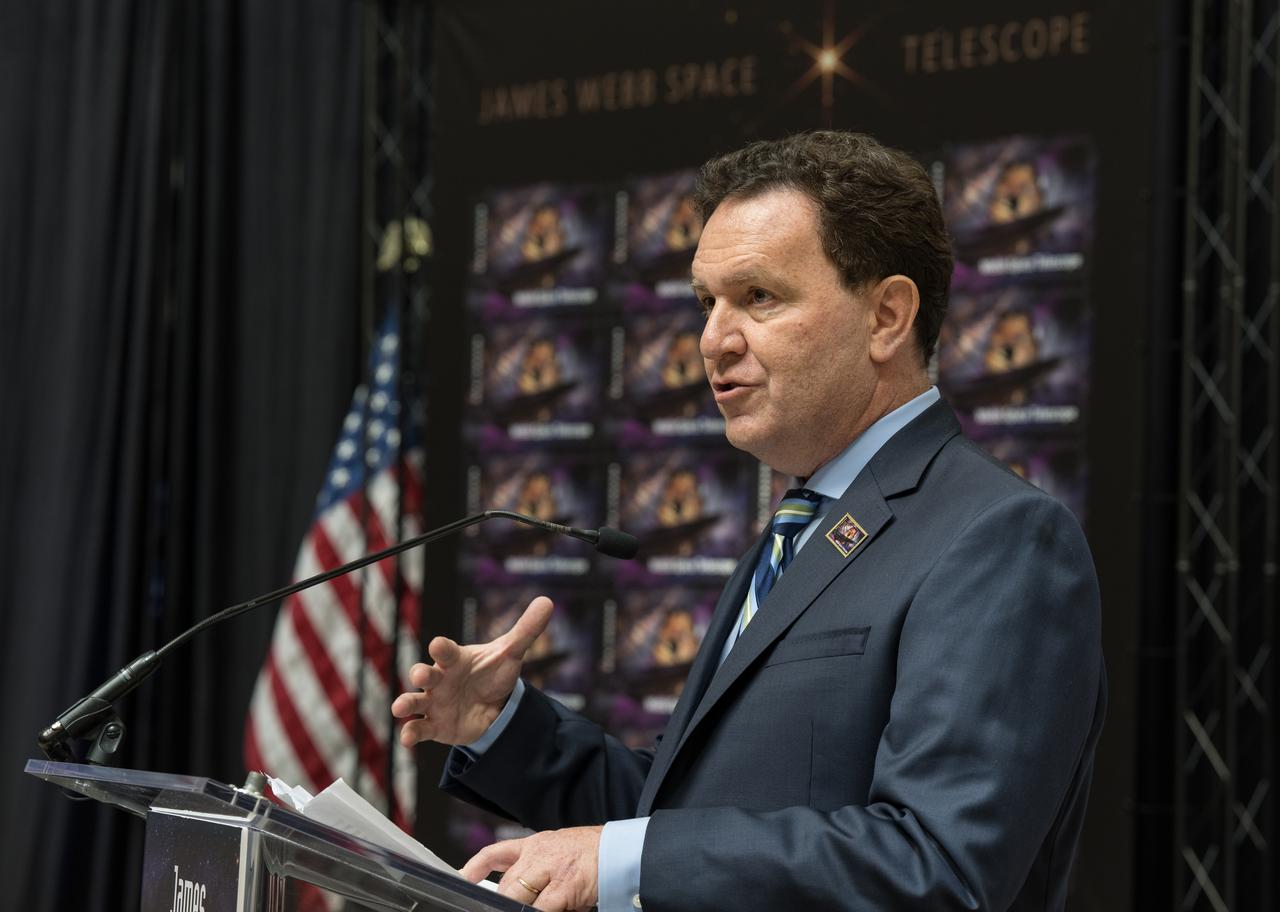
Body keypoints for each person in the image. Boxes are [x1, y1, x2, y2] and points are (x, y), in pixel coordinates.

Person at [392, 131, 1105, 912]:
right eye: (707, 302)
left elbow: (937, 869)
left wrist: (628, 859)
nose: (711, 341)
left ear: (888, 316)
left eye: (758, 298)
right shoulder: (802, 525)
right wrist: (506, 728)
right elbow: (683, 812)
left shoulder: (998, 539)